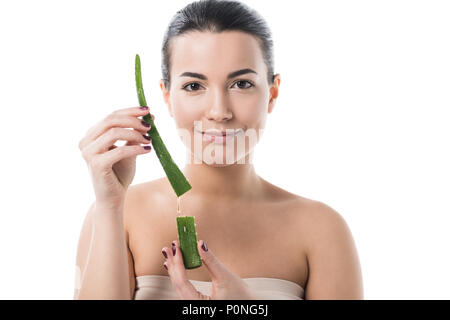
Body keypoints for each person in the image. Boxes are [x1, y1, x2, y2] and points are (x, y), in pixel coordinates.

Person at [74, 0, 363, 300]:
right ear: (167, 96)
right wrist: (109, 206)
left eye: (241, 83)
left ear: (272, 93)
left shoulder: (322, 230)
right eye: (194, 86)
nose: (219, 111)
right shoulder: (116, 214)